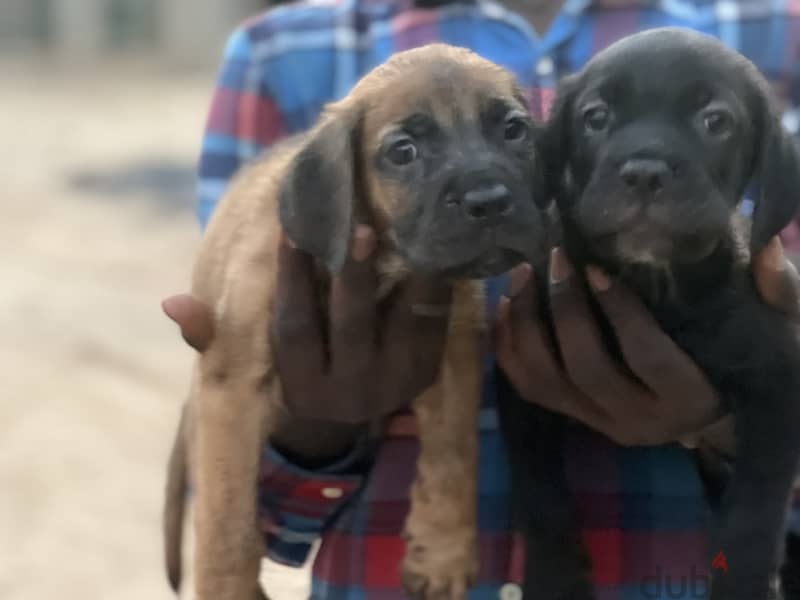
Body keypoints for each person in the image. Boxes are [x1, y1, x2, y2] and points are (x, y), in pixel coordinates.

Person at [167, 0, 800, 597]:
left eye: (513, 132)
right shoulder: (279, 55)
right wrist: (316, 429)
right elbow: (244, 465)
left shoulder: (779, 31)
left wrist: (730, 426)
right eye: (404, 152)